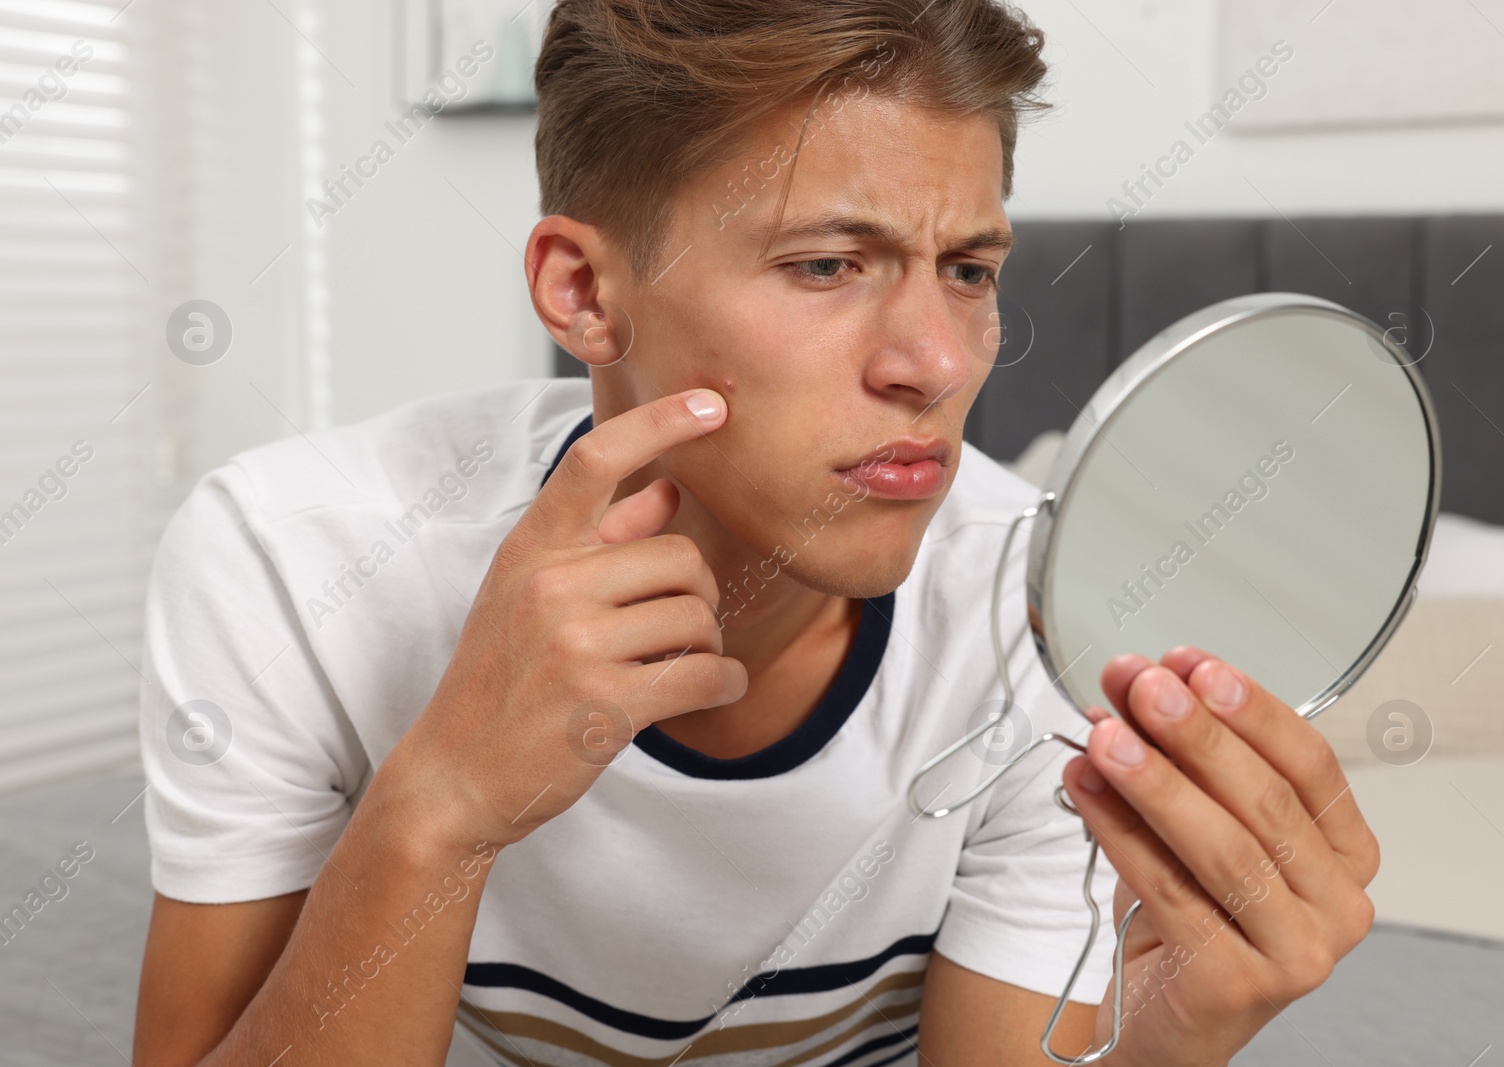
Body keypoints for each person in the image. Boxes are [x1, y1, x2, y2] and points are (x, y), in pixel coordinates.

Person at [131, 1, 1378, 1064]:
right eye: (831, 264)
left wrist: (1160, 1043)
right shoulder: (288, 558)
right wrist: (441, 801)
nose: (936, 362)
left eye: (969, 269)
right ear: (583, 291)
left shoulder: (1050, 618)